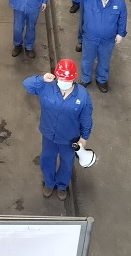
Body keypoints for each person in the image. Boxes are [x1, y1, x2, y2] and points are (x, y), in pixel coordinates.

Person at [23, 59, 93, 201]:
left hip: (70, 139)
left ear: (74, 78)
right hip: (49, 135)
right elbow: (27, 84)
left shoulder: (83, 95)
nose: (63, 82)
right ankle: (49, 183)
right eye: (61, 78)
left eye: (67, 79)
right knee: (47, 159)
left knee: (67, 162)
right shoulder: (46, 87)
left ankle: (62, 185)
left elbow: (86, 117)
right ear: (56, 76)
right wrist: (41, 78)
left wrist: (84, 137)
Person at [70, 0, 127, 93]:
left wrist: (121, 34)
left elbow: (123, 18)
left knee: (104, 60)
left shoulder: (119, 2)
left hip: (108, 40)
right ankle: (85, 78)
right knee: (87, 59)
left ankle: (101, 79)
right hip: (90, 38)